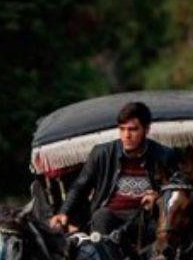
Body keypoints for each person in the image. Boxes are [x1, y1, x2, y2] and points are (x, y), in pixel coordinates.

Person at [48, 101, 180, 237]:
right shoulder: (102, 153)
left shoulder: (164, 155)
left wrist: (158, 199)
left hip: (145, 218)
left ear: (146, 130)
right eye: (122, 129)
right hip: (110, 216)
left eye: (133, 129)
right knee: (101, 216)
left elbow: (177, 193)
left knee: (162, 231)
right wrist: (64, 212)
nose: (126, 135)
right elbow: (80, 187)